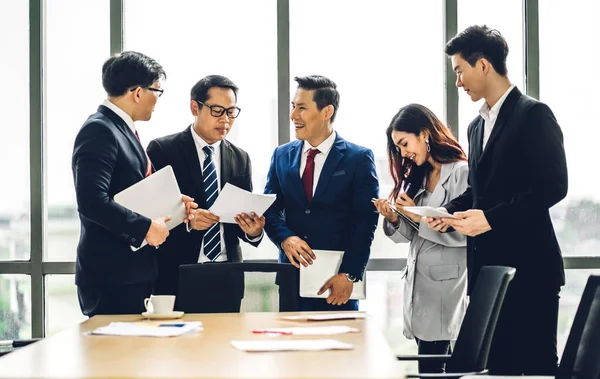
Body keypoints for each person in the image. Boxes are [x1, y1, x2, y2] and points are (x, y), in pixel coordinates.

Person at [432, 25, 568, 375]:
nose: (458, 82)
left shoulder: (533, 114)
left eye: (460, 71)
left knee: (536, 367)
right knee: (497, 369)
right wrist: (445, 212)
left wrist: (490, 219)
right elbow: (478, 192)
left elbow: (553, 186)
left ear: (483, 65)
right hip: (488, 273)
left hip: (531, 269)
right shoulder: (476, 128)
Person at [72, 51, 196, 317]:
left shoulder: (120, 129)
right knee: (113, 356)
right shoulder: (100, 130)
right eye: (157, 91)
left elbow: (130, 193)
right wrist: (144, 228)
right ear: (138, 92)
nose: (158, 100)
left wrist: (174, 205)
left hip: (129, 272)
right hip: (112, 276)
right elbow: (92, 201)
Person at [147, 75, 264, 310]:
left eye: (231, 112)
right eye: (217, 110)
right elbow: (152, 218)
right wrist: (188, 221)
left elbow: (241, 216)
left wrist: (253, 232)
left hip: (227, 274)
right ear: (195, 107)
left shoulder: (241, 158)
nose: (225, 120)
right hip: (178, 274)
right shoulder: (163, 150)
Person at [264, 75, 379, 311]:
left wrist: (350, 275)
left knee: (339, 347)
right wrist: (285, 238)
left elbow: (365, 222)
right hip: (291, 279)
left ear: (327, 112)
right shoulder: (281, 155)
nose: (293, 115)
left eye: (302, 108)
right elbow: (270, 209)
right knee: (290, 347)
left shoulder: (358, 158)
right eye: (293, 106)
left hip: (336, 282)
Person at [373, 104, 469, 373]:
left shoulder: (461, 172)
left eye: (404, 143)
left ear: (424, 134)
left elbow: (464, 233)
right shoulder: (421, 176)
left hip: (446, 290)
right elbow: (413, 237)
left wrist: (417, 218)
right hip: (421, 288)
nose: (403, 153)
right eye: (398, 148)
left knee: (437, 365)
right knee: (429, 364)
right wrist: (395, 217)